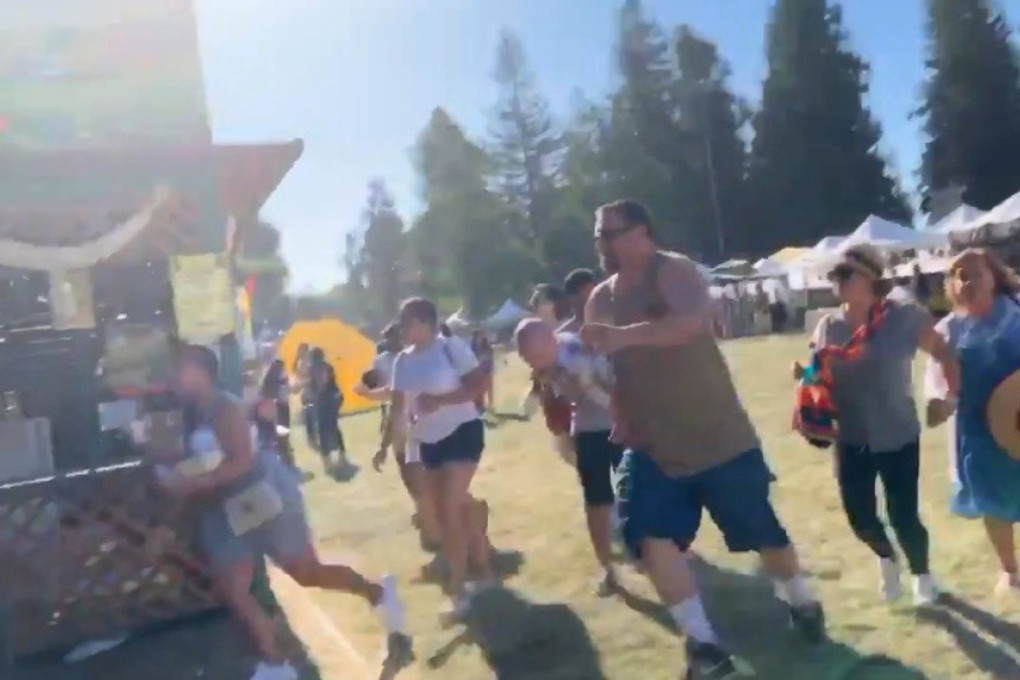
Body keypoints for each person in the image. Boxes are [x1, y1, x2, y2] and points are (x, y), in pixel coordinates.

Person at [580, 199, 824, 677]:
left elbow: (690, 324)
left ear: (642, 230)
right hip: (653, 446)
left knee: (763, 535)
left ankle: (801, 597)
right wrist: (619, 408)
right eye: (599, 235)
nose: (605, 243)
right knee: (649, 538)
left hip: (718, 436)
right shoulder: (600, 299)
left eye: (613, 232)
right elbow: (614, 366)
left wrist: (623, 336)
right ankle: (705, 647)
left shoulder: (674, 271)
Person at [152, 345, 407, 680]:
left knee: (306, 572)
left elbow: (240, 461)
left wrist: (190, 484)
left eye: (180, 368)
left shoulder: (225, 407)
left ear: (202, 372)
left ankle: (377, 593)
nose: (174, 377)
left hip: (264, 494)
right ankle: (276, 665)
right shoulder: (187, 415)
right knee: (233, 588)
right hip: (223, 509)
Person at [807, 244, 958, 606]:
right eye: (834, 275)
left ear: (872, 279)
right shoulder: (828, 326)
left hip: (898, 433)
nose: (836, 281)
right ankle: (886, 559)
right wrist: (806, 385)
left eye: (846, 274)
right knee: (859, 517)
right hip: (851, 437)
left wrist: (949, 396)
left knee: (903, 514)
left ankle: (922, 576)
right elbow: (816, 374)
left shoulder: (905, 318)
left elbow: (945, 353)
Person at [389, 298, 495, 623]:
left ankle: (458, 588)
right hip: (428, 442)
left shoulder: (451, 348)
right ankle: (485, 571)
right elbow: (397, 407)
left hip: (462, 432)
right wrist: (391, 445)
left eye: (408, 322)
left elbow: (479, 384)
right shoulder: (402, 362)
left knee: (449, 508)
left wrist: (441, 401)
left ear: (426, 322)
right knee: (454, 507)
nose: (403, 329)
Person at [926, 248, 1020, 596]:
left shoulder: (1018, 312)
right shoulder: (949, 330)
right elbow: (937, 379)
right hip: (978, 431)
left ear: (994, 276)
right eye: (958, 275)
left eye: (974, 273)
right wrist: (940, 400)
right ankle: (1010, 570)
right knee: (992, 501)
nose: (966, 281)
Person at [516, 318, 622, 596]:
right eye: (529, 359)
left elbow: (610, 400)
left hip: (620, 421)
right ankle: (607, 568)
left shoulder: (577, 356)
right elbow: (526, 407)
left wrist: (581, 387)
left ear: (551, 340)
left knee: (639, 491)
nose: (534, 363)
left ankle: (661, 551)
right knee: (595, 500)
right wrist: (543, 388)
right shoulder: (547, 360)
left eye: (537, 356)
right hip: (588, 429)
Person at [309, 348, 347, 472]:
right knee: (333, 427)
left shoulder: (315, 368)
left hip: (326, 399)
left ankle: (328, 460)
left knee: (323, 429)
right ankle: (340, 456)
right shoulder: (326, 367)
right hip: (332, 398)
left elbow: (320, 385)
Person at [259, 359, 295, 468]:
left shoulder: (276, 380)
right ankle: (286, 461)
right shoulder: (273, 381)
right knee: (280, 437)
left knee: (281, 437)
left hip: (280, 409)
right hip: (277, 409)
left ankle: (285, 460)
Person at [292, 344, 317, 452]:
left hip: (313, 393)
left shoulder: (311, 362)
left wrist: (301, 384)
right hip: (306, 394)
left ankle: (314, 438)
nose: (299, 352)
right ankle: (312, 439)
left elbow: (312, 378)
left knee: (312, 416)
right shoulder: (301, 363)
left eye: (300, 350)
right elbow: (297, 374)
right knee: (308, 417)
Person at [561, 268, 599, 334]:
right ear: (572, 298)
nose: (593, 295)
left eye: (594, 289)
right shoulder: (565, 335)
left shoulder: (613, 325)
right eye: (586, 290)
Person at [469, 330, 495, 413]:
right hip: (478, 371)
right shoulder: (473, 348)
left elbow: (490, 357)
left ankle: (491, 406)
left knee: (489, 388)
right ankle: (481, 406)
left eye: (481, 335)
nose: (479, 337)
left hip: (487, 370)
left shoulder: (487, 347)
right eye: (478, 335)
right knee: (480, 390)